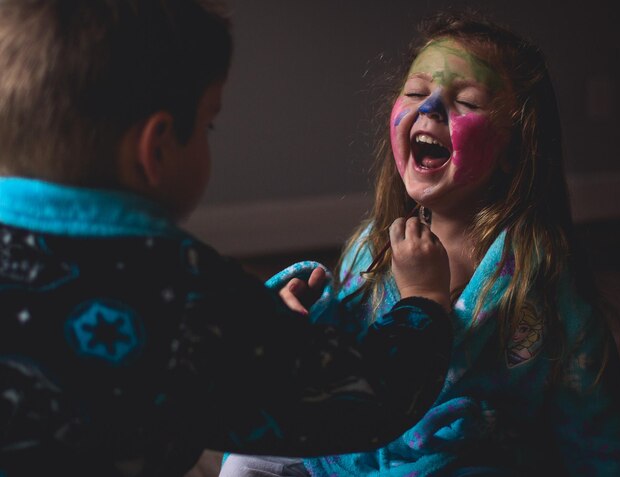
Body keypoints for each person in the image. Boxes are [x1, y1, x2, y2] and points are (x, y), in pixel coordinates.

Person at [0, 1, 456, 476]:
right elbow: (365, 399)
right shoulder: (182, 291)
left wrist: (257, 325)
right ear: (156, 149)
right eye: (207, 124)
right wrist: (423, 301)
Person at [220, 10, 620, 477]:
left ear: (515, 150)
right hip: (360, 451)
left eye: (466, 102)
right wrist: (301, 324)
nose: (430, 108)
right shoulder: (375, 243)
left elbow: (590, 410)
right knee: (245, 462)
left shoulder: (539, 271)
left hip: (461, 460)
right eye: (415, 93)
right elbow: (343, 357)